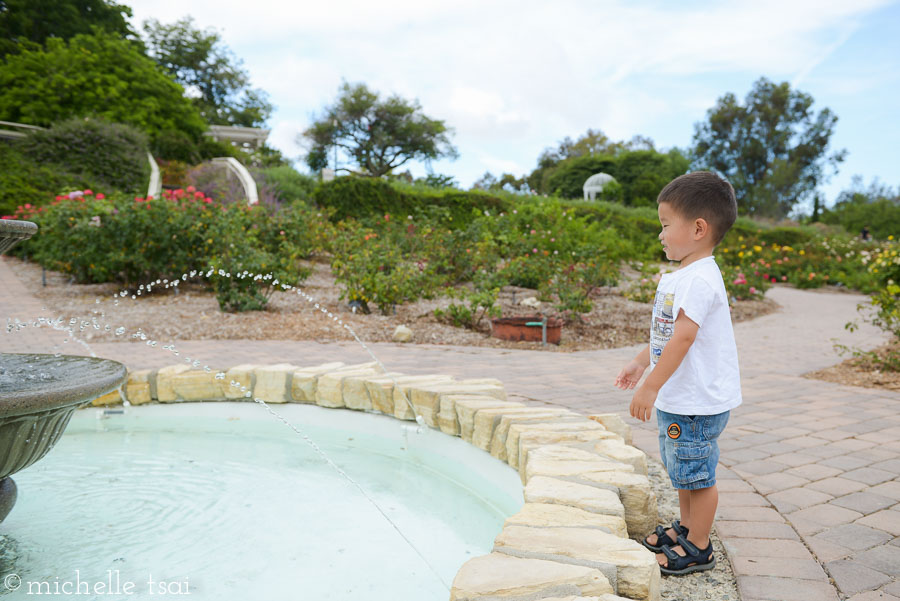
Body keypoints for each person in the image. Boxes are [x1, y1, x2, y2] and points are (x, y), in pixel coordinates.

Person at [614, 171, 741, 576]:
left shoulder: (701, 279)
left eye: (666, 225)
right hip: (681, 398)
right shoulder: (681, 277)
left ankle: (699, 547)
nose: (661, 234)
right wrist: (640, 362)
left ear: (699, 228)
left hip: (696, 402)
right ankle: (687, 529)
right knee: (684, 470)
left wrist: (650, 387)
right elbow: (665, 334)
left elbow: (683, 340)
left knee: (698, 475)